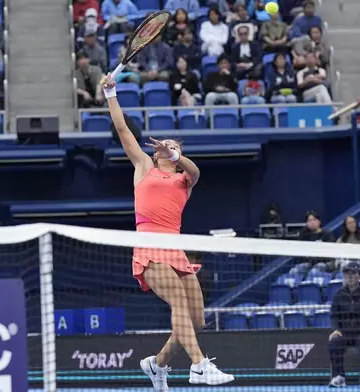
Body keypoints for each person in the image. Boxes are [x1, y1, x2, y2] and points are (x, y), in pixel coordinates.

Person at [99, 72, 234, 389]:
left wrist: (177, 155)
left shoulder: (184, 180)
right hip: (149, 247)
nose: (165, 145)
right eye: (164, 145)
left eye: (172, 145)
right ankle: (199, 365)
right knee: (178, 303)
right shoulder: (144, 167)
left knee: (197, 319)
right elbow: (122, 129)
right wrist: (110, 93)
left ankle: (157, 365)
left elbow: (196, 170)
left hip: (176, 249)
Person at [329, 262, 360, 388]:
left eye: (353, 274)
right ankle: (338, 377)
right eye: (347, 274)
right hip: (345, 333)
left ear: (359, 276)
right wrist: (335, 329)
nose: (350, 277)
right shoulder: (339, 295)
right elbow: (334, 315)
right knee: (334, 341)